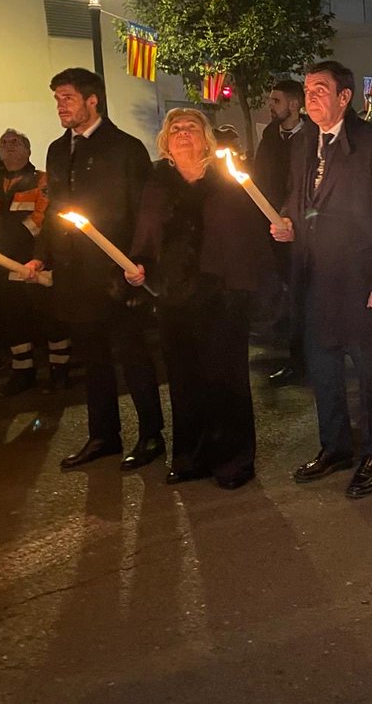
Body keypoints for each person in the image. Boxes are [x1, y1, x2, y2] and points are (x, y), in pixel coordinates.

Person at [270, 61, 372, 498]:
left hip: (361, 281)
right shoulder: (302, 141)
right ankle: (335, 447)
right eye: (307, 90)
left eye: (320, 90)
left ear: (345, 97)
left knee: (369, 376)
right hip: (315, 280)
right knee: (324, 371)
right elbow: (297, 198)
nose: (310, 97)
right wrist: (287, 221)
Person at [24, 68, 165, 471]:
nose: (60, 106)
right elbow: (55, 208)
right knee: (94, 357)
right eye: (57, 99)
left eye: (67, 98)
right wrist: (42, 254)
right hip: (74, 274)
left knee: (132, 355)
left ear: (92, 100)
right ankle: (104, 435)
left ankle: (151, 433)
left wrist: (139, 262)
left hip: (115, 273)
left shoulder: (124, 148)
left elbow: (143, 210)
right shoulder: (57, 149)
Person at [126, 108, 269, 487]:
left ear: (206, 137)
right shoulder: (157, 184)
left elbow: (247, 235)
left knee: (226, 381)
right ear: (166, 141)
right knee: (184, 381)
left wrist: (243, 285)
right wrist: (137, 266)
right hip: (174, 297)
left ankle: (234, 460)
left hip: (222, 296)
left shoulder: (227, 181)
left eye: (191, 127)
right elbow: (146, 234)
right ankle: (191, 457)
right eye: (175, 128)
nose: (183, 133)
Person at [0, 129, 71, 395]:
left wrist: (17, 243)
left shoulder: (42, 181)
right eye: (4, 143)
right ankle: (23, 372)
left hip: (36, 258)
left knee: (50, 316)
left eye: (15, 143)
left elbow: (42, 219)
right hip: (1, 263)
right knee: (12, 319)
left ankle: (60, 370)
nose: (9, 147)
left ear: (28, 150)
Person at [254, 78, 315, 387]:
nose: (270, 105)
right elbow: (261, 177)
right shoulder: (270, 135)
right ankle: (297, 359)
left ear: (294, 104)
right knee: (290, 297)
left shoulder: (314, 135)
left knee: (310, 296)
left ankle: (316, 357)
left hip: (308, 230)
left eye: (276, 100)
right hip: (275, 227)